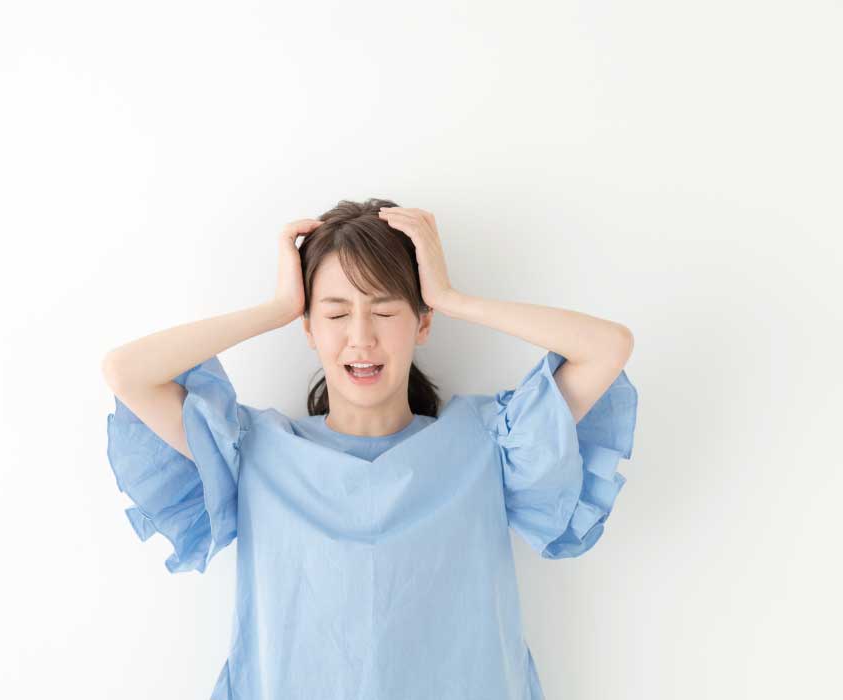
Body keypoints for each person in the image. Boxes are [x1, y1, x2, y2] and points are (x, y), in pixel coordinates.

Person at [101, 198, 638, 700]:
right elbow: (127, 373)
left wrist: (452, 298)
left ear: (422, 322)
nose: (361, 337)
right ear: (309, 327)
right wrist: (278, 308)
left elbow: (607, 348)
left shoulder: (489, 442)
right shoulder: (254, 452)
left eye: (383, 311)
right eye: (336, 314)